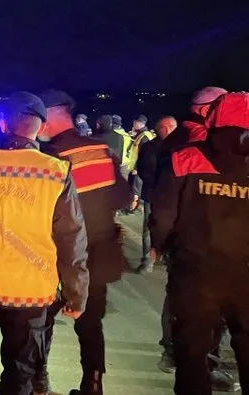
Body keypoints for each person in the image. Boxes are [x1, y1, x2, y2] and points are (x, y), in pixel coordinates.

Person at [0, 91, 90, 395]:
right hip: (31, 292)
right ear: (40, 128)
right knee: (20, 371)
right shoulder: (57, 173)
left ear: (2, 125)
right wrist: (75, 294)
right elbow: (70, 239)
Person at [150, 92, 249, 394]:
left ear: (211, 120)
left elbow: (163, 214)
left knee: (191, 353)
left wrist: (159, 245)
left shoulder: (185, 158)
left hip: (195, 272)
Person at [34, 90, 130, 395]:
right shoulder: (101, 149)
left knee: (41, 322)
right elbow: (124, 197)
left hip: (55, 255)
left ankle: (38, 383)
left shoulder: (48, 159)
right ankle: (93, 385)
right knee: (91, 325)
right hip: (98, 254)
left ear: (49, 116)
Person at [134, 116, 178, 273]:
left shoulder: (179, 147)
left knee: (171, 227)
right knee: (149, 226)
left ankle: (166, 257)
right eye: (170, 127)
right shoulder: (150, 147)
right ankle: (148, 260)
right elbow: (142, 169)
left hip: (168, 195)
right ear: (163, 128)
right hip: (155, 194)